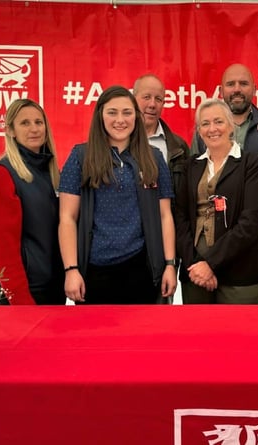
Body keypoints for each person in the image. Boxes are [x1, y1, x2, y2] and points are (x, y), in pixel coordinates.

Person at [58, 85, 177, 304]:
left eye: (127, 112)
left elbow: (165, 215)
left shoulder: (154, 157)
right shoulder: (80, 156)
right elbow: (67, 218)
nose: (120, 120)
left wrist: (170, 264)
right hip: (94, 270)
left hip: (143, 267)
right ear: (100, 116)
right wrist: (71, 269)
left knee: (141, 337)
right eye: (112, 112)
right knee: (96, 338)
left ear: (136, 117)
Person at [194, 63, 258, 305]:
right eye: (230, 84)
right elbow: (197, 187)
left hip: (256, 241)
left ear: (254, 88)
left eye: (243, 83)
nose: (237, 89)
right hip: (212, 241)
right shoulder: (203, 131)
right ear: (221, 89)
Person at [175, 99, 258, 304]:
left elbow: (251, 222)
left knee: (239, 335)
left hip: (240, 272)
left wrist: (210, 263)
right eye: (205, 124)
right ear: (199, 131)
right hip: (195, 272)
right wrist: (195, 265)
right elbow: (180, 218)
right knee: (198, 334)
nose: (212, 129)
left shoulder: (252, 164)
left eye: (218, 121)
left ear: (231, 125)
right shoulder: (190, 166)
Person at [0, 98, 66, 305]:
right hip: (25, 293)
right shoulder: (1, 175)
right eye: (24, 123)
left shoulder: (50, 174)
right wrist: (20, 299)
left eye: (38, 122)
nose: (34, 129)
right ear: (10, 131)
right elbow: (1, 246)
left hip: (52, 287)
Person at [133, 74, 189, 204]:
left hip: (166, 220)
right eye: (146, 97)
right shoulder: (119, 141)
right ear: (133, 99)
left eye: (158, 99)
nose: (152, 104)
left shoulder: (179, 147)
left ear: (164, 103)